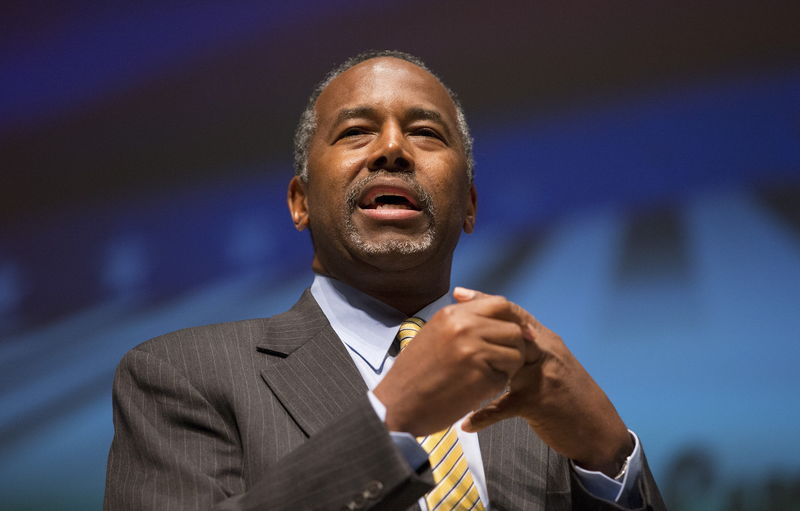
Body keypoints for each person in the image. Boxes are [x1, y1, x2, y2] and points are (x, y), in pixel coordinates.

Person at [104, 50, 666, 510]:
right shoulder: (178, 375)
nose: (393, 149)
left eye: (425, 132)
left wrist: (608, 456)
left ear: (468, 207)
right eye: (355, 132)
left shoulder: (527, 400)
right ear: (299, 202)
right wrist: (390, 421)